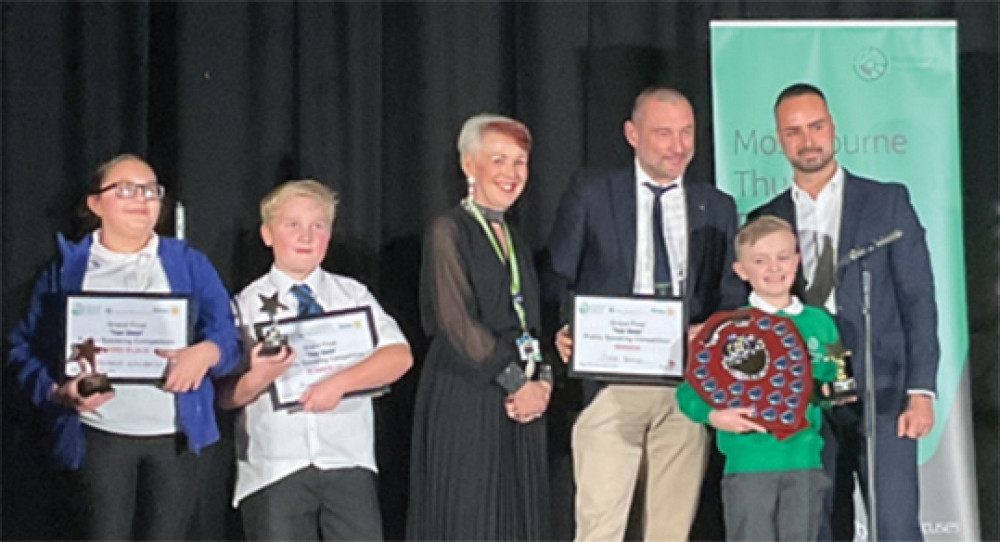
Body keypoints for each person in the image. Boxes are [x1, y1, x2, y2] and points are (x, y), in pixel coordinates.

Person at [548, 87, 747, 541]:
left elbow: (732, 293)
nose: (678, 146)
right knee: (600, 527)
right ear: (632, 134)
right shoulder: (594, 194)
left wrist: (711, 331)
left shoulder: (716, 206)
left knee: (670, 532)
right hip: (612, 385)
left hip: (686, 388)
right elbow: (558, 274)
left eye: (686, 133)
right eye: (663, 133)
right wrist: (565, 326)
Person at [6, 153, 240, 540]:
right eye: (126, 189)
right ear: (95, 203)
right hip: (99, 436)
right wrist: (56, 391)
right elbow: (21, 348)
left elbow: (229, 334)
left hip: (175, 440)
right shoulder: (67, 269)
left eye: (151, 190)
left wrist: (208, 352)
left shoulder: (188, 262)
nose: (142, 199)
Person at [751, 82, 938, 541]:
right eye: (793, 131)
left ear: (833, 128)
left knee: (894, 524)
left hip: (885, 388)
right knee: (818, 524)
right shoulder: (764, 218)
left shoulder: (887, 201)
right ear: (779, 138)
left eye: (815, 126)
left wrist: (922, 389)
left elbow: (918, 298)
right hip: (806, 396)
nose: (807, 139)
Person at [217, 179, 412, 541]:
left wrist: (339, 383)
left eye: (317, 226)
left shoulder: (352, 295)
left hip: (347, 461)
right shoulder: (244, 304)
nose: (306, 236)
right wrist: (259, 377)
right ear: (267, 234)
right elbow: (225, 396)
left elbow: (399, 356)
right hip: (275, 468)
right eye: (293, 225)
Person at [407, 114, 552, 540]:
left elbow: (533, 322)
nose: (511, 174)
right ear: (469, 166)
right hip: (469, 394)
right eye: (499, 160)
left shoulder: (515, 238)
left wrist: (541, 383)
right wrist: (515, 383)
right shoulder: (449, 231)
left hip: (520, 402)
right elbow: (455, 324)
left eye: (520, 162)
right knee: (470, 519)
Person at [677, 215, 839, 541]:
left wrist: (833, 389)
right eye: (760, 261)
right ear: (741, 271)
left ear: (797, 261)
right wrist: (713, 415)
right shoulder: (726, 329)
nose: (774, 269)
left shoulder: (821, 323)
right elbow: (688, 392)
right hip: (748, 463)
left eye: (782, 258)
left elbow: (838, 378)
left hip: (804, 461)